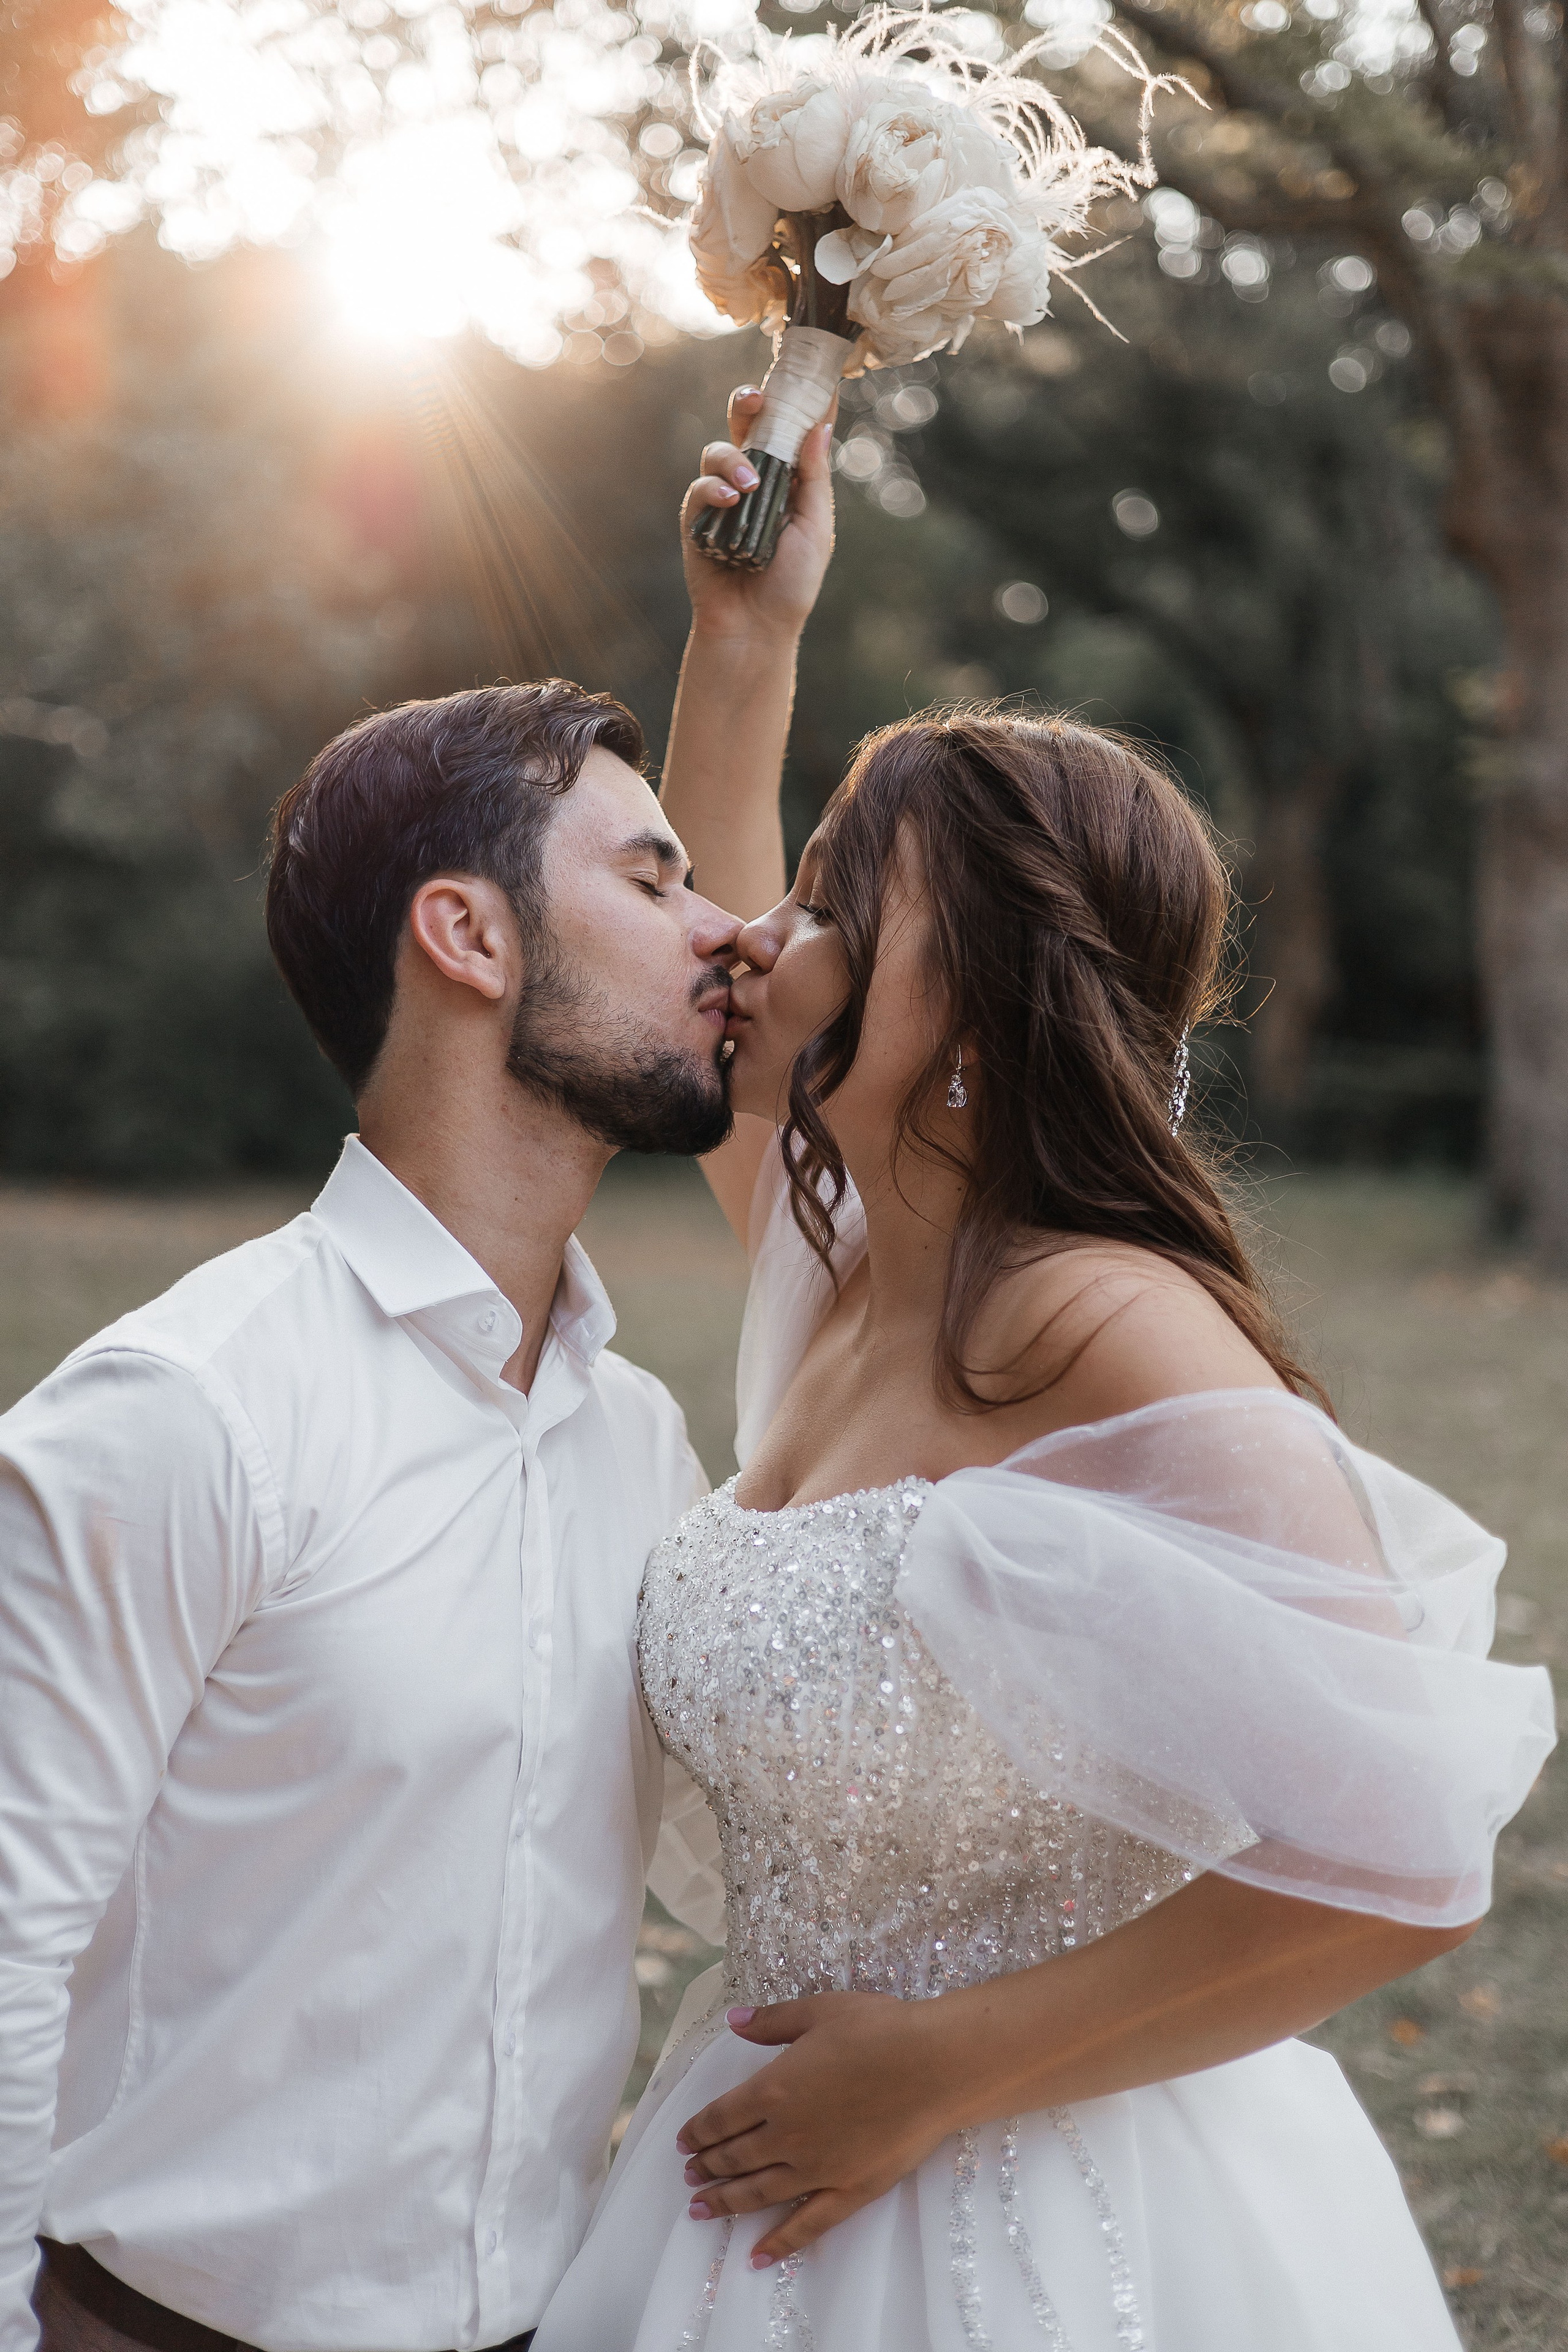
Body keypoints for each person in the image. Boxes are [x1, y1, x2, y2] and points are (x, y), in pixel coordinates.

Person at [533, 403, 1558, 2351]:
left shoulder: (1102, 1320)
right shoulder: (844, 1277)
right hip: (755, 2178)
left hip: (1054, 2202)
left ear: (981, 1004)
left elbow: (1408, 1861)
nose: (758, 936)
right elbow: (743, 897)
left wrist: (941, 2072)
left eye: (838, 903)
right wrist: (745, 635)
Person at [0, 424, 841, 2352]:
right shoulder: (180, 1419)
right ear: (465, 936)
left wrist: (753, 630)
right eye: (654, 880)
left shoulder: (641, 1442)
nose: (734, 935)